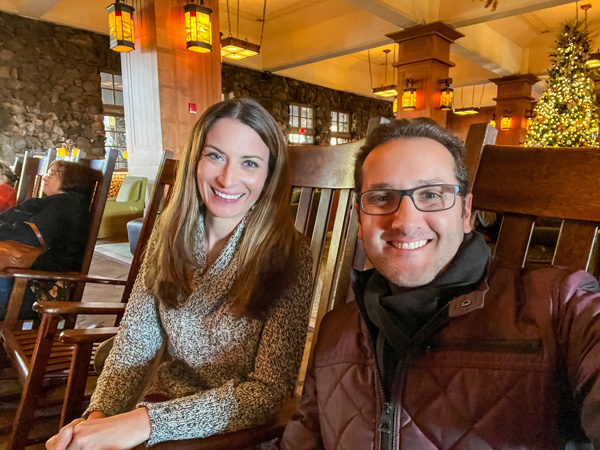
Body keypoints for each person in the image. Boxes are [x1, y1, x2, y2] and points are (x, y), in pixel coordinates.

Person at [278, 118, 600, 449]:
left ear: (465, 213)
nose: (405, 221)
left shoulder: (558, 306)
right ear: (360, 219)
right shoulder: (336, 331)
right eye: (382, 198)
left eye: (431, 194)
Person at [47, 98, 313, 449]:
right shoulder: (167, 232)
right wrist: (100, 418)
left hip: (233, 430)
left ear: (269, 175)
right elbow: (136, 341)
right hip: (158, 401)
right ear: (195, 160)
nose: (227, 178)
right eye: (215, 155)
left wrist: (144, 422)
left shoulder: (291, 255)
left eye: (249, 163)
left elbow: (267, 393)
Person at [0, 159, 97, 320]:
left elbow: (24, 236)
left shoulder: (68, 204)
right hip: (21, 279)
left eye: (52, 173)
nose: (45, 178)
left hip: (36, 290)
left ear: (72, 178)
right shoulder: (50, 203)